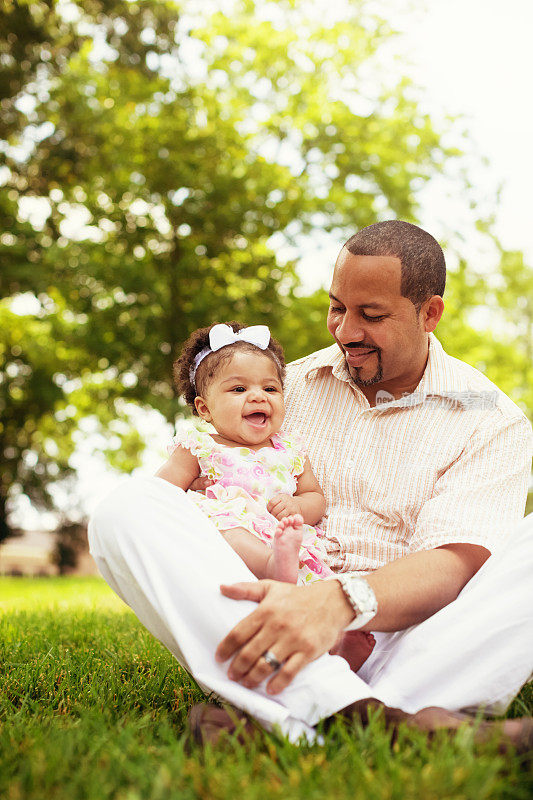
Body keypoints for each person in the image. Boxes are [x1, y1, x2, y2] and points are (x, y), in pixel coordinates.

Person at [88, 220, 533, 749]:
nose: (345, 331)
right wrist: (295, 597)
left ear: (429, 313)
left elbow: (454, 565)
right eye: (337, 307)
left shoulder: (493, 421)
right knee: (128, 507)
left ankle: (297, 719)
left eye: (371, 315)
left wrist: (340, 601)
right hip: (271, 614)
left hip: (413, 644)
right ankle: (387, 725)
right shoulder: (280, 387)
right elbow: (206, 485)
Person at [157, 320, 333, 586]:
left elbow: (315, 496)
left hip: (281, 542)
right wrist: (188, 489)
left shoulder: (289, 449)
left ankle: (338, 622)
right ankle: (269, 565)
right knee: (228, 528)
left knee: (318, 581)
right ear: (204, 409)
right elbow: (158, 494)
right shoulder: (199, 448)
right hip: (223, 555)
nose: (258, 396)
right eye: (239, 389)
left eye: (270, 388)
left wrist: (297, 506)